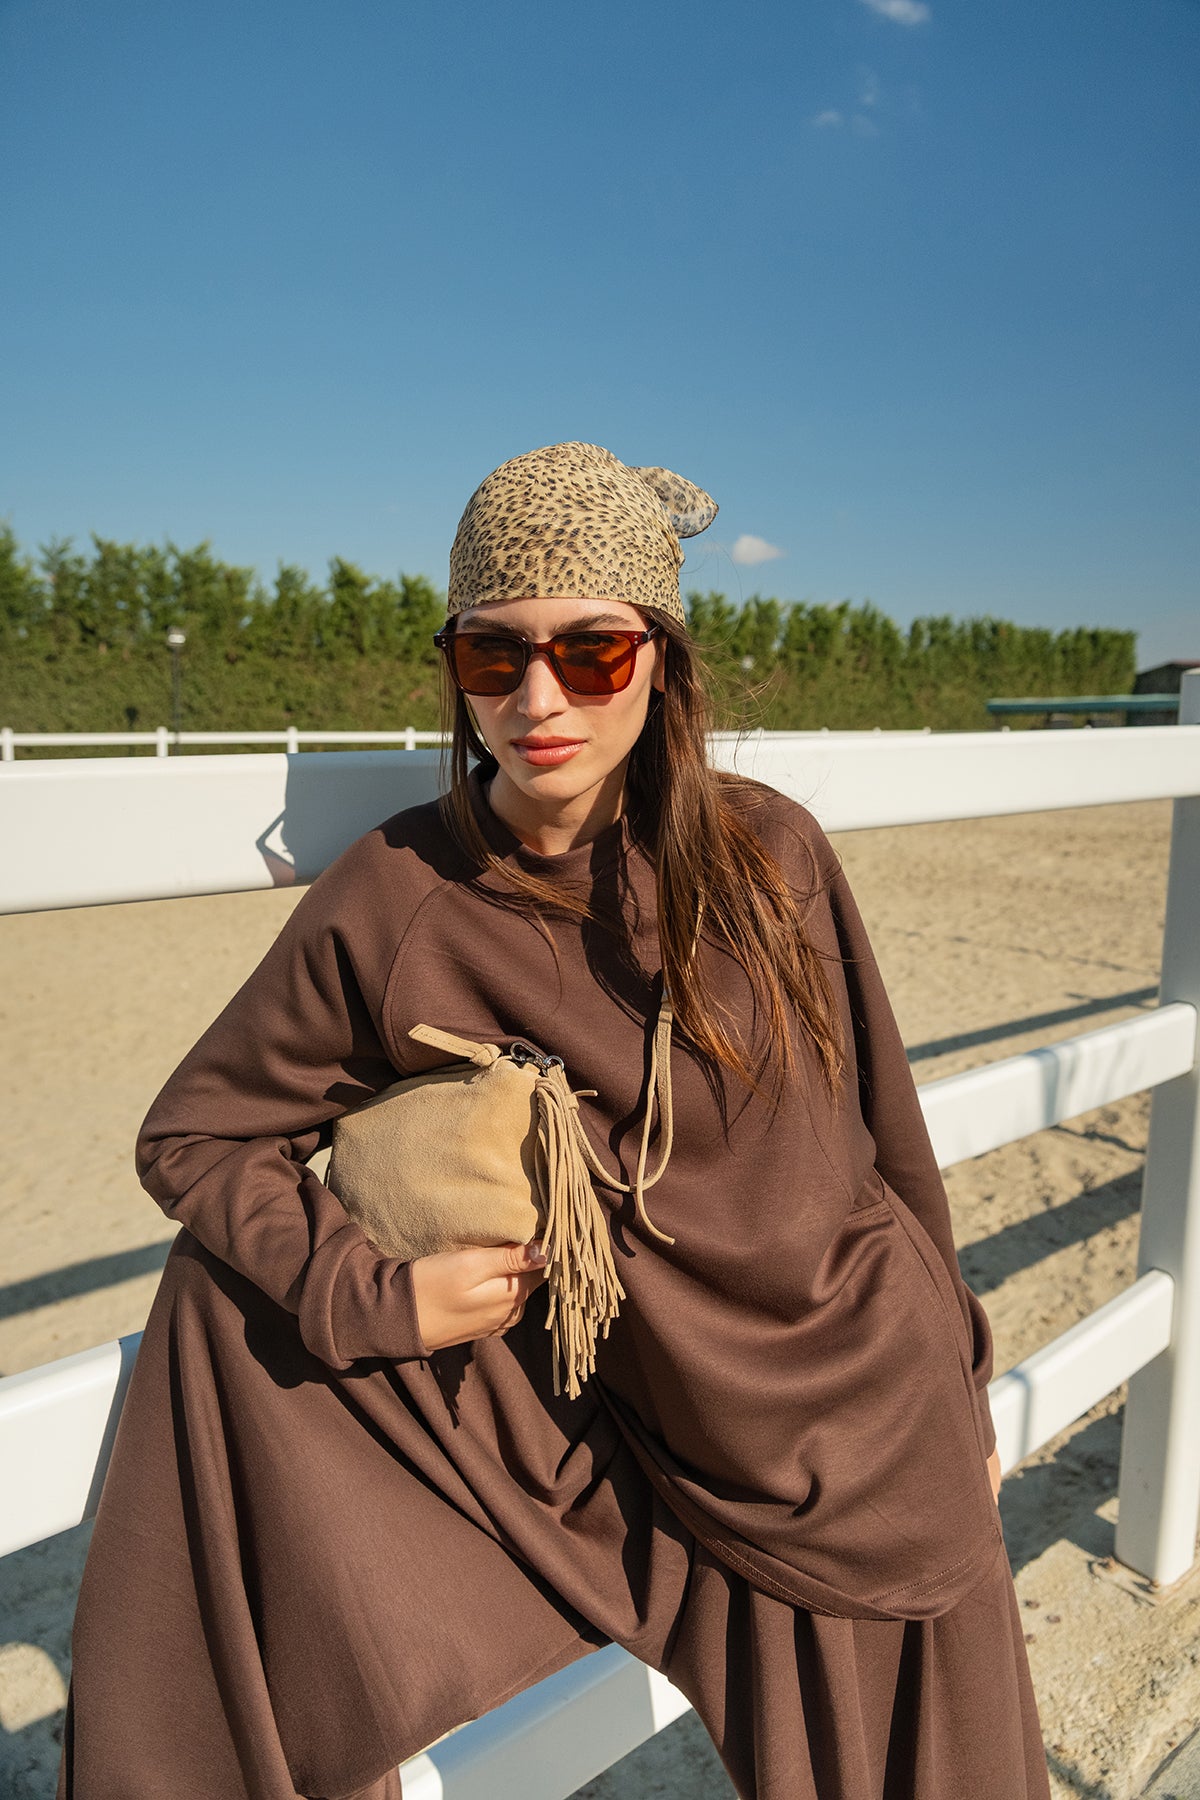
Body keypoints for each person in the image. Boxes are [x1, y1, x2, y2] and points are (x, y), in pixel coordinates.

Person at [59, 442, 1049, 1800]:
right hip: (654, 1464)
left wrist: (965, 1374)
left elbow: (883, 1141)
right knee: (211, 1300)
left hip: (880, 1424)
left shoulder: (773, 855)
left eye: (592, 652)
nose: (537, 700)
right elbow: (196, 1137)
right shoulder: (403, 895)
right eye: (492, 653)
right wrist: (371, 1298)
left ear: (662, 661)